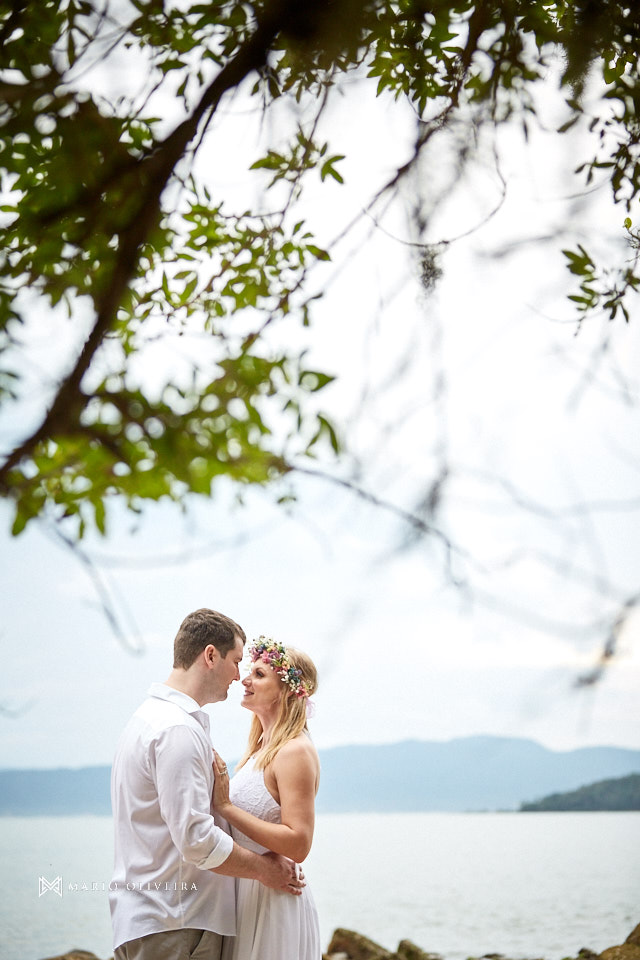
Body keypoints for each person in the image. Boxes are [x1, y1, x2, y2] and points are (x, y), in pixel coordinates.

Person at [109, 609, 304, 960]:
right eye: (236, 662)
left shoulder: (147, 720)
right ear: (210, 655)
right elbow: (196, 840)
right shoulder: (177, 730)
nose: (237, 676)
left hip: (160, 919)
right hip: (175, 921)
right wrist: (266, 871)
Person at [212, 635, 321, 960]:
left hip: (273, 904)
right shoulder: (260, 749)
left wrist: (226, 807)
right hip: (250, 895)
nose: (244, 679)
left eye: (259, 675)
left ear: (287, 690)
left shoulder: (294, 751)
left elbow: (299, 843)